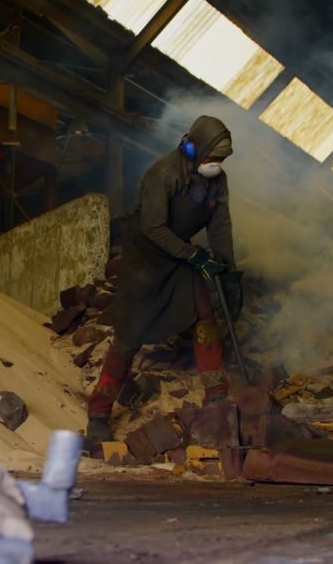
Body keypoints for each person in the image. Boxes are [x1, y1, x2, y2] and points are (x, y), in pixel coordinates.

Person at [85, 115, 242, 453]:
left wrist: (227, 269)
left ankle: (216, 398)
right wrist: (196, 257)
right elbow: (154, 229)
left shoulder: (217, 181)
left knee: (205, 316)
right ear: (194, 148)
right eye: (213, 158)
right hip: (145, 259)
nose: (217, 165)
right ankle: (98, 417)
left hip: (180, 257)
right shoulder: (163, 174)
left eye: (222, 160)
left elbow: (220, 226)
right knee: (128, 337)